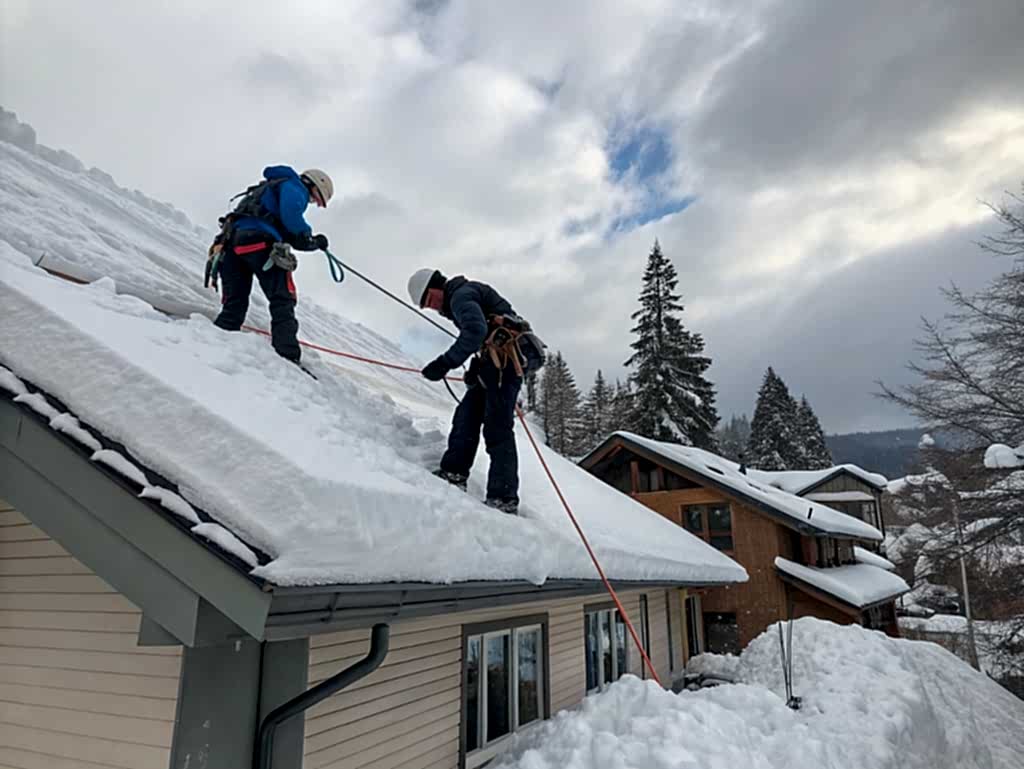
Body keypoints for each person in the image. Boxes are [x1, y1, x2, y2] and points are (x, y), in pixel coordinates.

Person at [408, 268, 533, 514]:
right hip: (495, 364)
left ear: (437, 286)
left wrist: (445, 363)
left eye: (430, 300)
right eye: (427, 306)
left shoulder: (461, 296)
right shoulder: (463, 295)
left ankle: (504, 498)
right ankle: (454, 472)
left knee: (497, 428)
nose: (433, 307)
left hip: (505, 364)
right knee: (467, 415)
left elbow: (475, 333)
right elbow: (482, 333)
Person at [212, 166, 334, 363]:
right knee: (282, 299)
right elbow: (292, 219)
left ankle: (218, 337)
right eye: (314, 199)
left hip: (232, 244)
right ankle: (287, 357)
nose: (310, 202)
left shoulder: (270, 189)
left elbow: (287, 231)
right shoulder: (295, 186)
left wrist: (311, 243)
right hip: (260, 242)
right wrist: (309, 235)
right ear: (312, 186)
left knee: (235, 301)